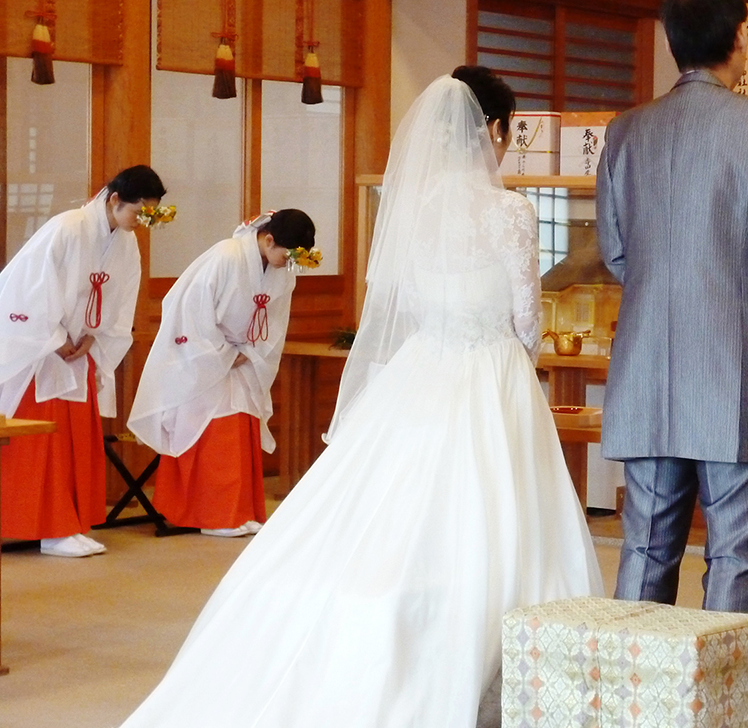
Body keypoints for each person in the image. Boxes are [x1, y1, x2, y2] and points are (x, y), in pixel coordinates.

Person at [118, 67, 602, 728]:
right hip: (490, 368)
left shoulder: (415, 205)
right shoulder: (511, 209)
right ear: (493, 129)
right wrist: (523, 355)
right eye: (507, 132)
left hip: (420, 367)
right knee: (500, 514)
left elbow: (402, 302)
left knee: (394, 511)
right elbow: (525, 315)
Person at [597, 0, 748, 615]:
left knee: (643, 548)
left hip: (645, 367)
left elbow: (615, 251)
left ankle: (639, 701)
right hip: (735, 368)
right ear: (739, 38)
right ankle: (722, 711)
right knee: (736, 550)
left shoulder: (626, 129)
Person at [0, 166, 167, 558]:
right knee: (44, 441)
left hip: (79, 352)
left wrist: (94, 336)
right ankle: (49, 528)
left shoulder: (125, 243)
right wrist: (56, 339)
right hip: (42, 353)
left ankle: (69, 523)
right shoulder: (68, 228)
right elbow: (26, 287)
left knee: (74, 439)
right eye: (139, 212)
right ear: (114, 200)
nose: (141, 223)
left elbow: (121, 299)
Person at [128, 209, 317, 538]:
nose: (289, 264)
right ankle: (211, 514)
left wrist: (250, 352)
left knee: (239, 432)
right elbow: (188, 309)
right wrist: (223, 354)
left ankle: (238, 510)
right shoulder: (226, 256)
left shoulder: (283, 270)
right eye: (287, 255)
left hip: (242, 360)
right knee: (214, 434)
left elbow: (275, 322)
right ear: (268, 239)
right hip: (204, 360)